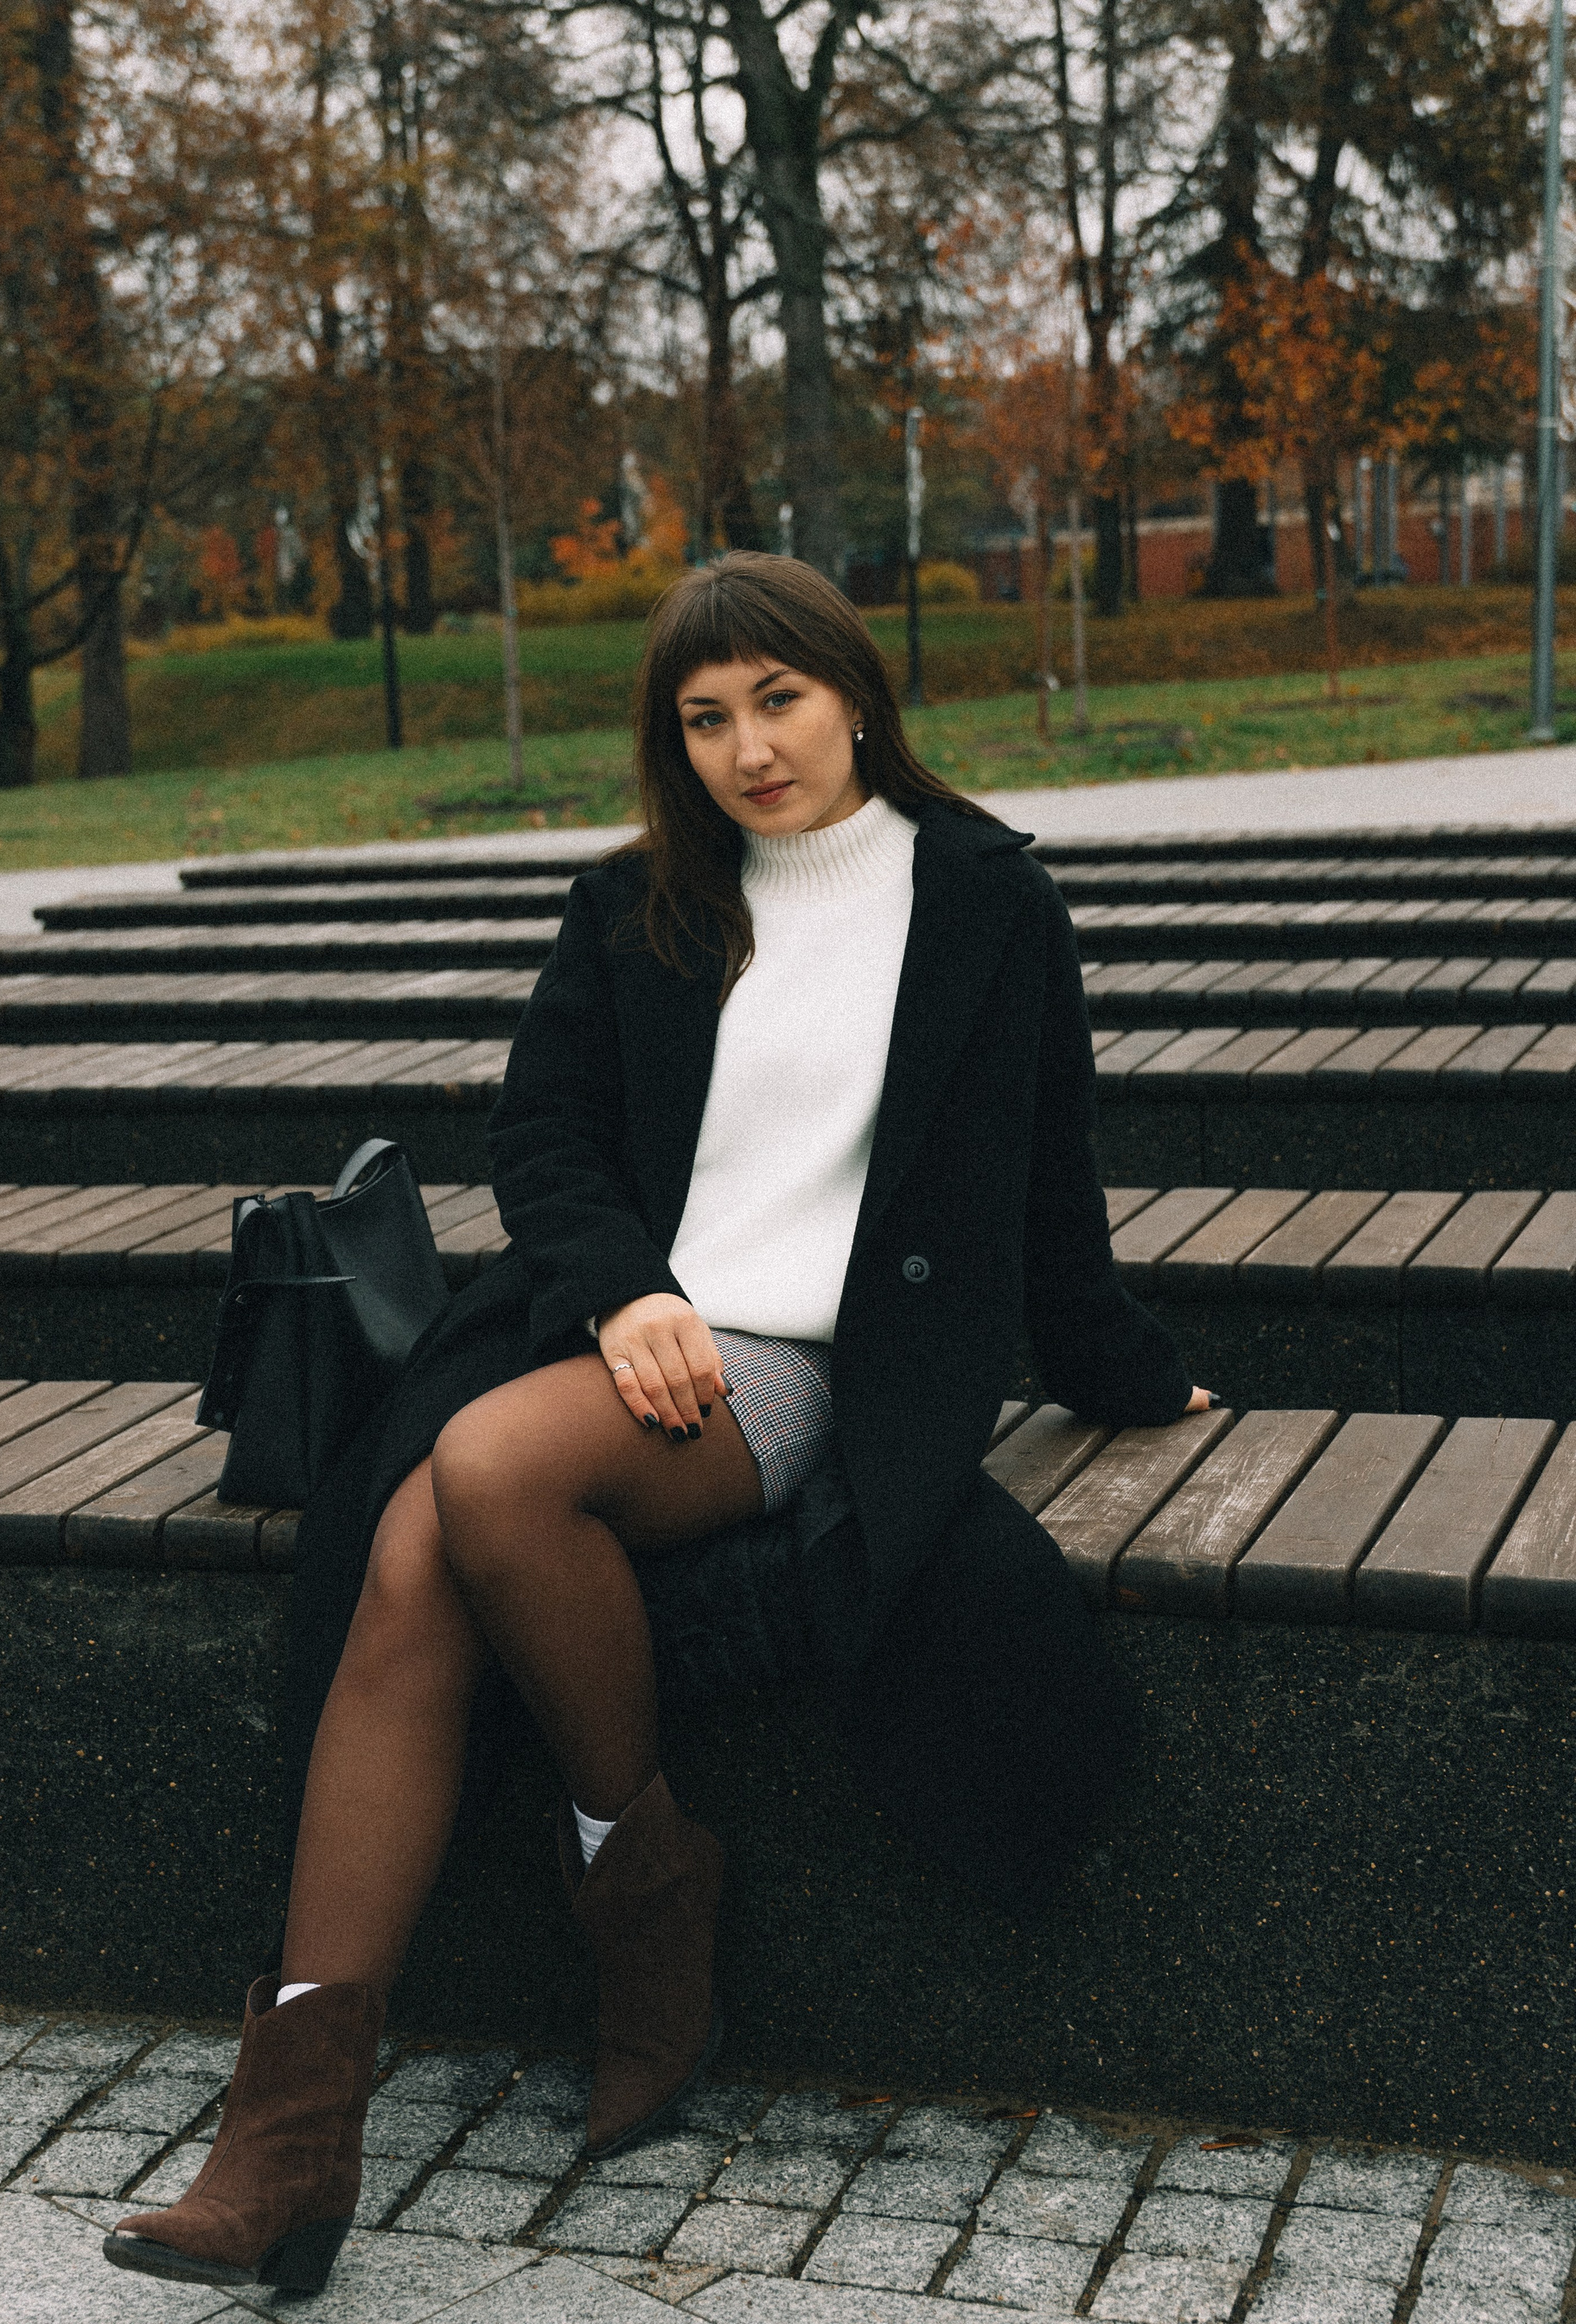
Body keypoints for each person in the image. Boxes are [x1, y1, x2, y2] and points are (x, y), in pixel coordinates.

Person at [102, 551, 1209, 2297]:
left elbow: (1047, 1182)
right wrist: (626, 1291)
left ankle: (629, 1882)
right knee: (416, 1547)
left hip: (819, 1363)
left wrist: (1128, 1374)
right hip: (620, 1331)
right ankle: (296, 2136)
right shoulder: (641, 901)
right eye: (704, 719)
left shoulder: (986, 897)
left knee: (477, 1473)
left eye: (779, 700)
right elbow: (543, 1135)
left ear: (856, 696)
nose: (748, 749)